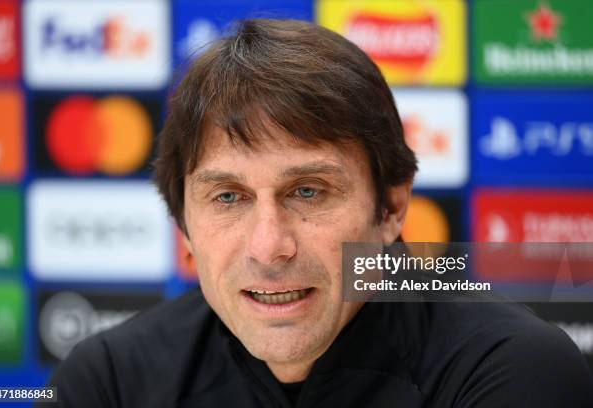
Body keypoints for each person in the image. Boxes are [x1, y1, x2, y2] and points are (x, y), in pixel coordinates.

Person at [38, 19, 593, 407]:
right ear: (184, 225)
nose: (269, 246)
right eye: (228, 197)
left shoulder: (511, 370)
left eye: (308, 192)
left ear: (391, 207)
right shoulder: (105, 381)